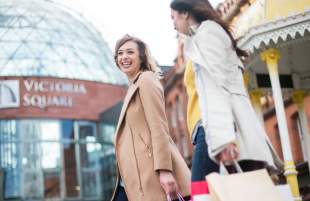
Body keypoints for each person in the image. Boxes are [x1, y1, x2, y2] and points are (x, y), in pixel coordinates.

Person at [170, 0, 281, 181]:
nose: (172, 24)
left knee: (201, 188)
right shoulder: (201, 37)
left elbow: (217, 85)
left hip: (212, 126)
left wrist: (223, 138)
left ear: (185, 13)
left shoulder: (207, 34)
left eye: (173, 17)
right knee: (245, 186)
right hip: (209, 128)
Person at [111, 35, 191, 201]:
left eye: (130, 52)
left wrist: (165, 170)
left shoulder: (146, 79)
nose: (124, 57)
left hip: (151, 176)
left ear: (141, 57)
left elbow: (158, 127)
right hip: (134, 180)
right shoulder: (133, 87)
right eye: (120, 53)